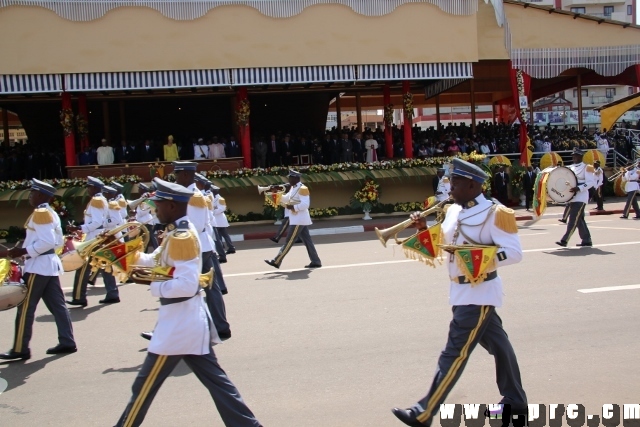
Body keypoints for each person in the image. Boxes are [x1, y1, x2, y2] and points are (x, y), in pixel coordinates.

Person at [115, 178, 262, 427]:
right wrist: (127, 257)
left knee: (143, 387)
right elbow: (158, 260)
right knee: (218, 384)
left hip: (177, 327)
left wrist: (151, 284)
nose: (154, 209)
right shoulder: (176, 230)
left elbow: (186, 285)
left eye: (158, 204)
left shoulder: (182, 235)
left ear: (172, 206)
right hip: (187, 322)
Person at [392, 158, 527, 426]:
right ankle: (516, 402)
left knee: (454, 352)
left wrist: (476, 258)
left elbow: (514, 253)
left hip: (480, 293)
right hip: (460, 291)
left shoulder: (495, 213)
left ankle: (424, 411)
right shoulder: (453, 210)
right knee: (499, 344)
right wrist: (422, 229)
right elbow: (443, 243)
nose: (449, 186)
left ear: (472, 184)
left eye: (454, 182)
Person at [0, 179, 76, 361]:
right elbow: (55, 241)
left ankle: (20, 348)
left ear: (42, 195)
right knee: (58, 306)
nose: (30, 196)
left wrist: (23, 251)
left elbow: (48, 242)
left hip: (39, 267)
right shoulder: (49, 213)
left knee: (25, 307)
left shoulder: (41, 213)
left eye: (33, 193)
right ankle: (67, 341)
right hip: (46, 264)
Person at [66, 177, 121, 307]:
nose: (87, 189)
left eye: (89, 187)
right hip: (98, 236)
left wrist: (80, 228)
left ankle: (79, 297)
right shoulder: (100, 199)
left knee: (83, 266)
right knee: (104, 264)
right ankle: (112, 293)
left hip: (94, 238)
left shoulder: (96, 200)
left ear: (95, 188)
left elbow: (97, 222)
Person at [264, 170, 322, 269]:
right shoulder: (293, 188)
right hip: (297, 219)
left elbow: (305, 204)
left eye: (290, 178)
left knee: (289, 241)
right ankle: (316, 261)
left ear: (296, 178)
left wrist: (293, 207)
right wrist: (276, 195)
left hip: (299, 219)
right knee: (307, 241)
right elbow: (287, 198)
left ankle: (277, 261)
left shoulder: (303, 188)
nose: (289, 180)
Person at [556, 149, 595, 247]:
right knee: (579, 219)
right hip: (571, 197)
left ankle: (565, 240)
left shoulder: (587, 167)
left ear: (581, 157)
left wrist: (579, 188)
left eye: (576, 156)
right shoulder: (570, 167)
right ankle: (587, 240)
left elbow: (591, 182)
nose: (574, 157)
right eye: (573, 156)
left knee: (573, 218)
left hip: (581, 197)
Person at [131, 183, 158, 251]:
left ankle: (152, 250)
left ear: (142, 189)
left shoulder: (146, 197)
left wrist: (136, 213)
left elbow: (143, 211)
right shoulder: (144, 197)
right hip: (145, 220)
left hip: (145, 221)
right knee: (147, 237)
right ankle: (147, 250)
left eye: (139, 188)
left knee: (146, 238)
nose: (138, 190)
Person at [212, 186, 236, 255]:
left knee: (223, 235)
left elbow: (222, 208)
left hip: (220, 219)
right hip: (216, 219)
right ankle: (224, 248)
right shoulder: (213, 198)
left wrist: (213, 211)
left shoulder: (220, 199)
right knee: (221, 235)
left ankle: (229, 248)